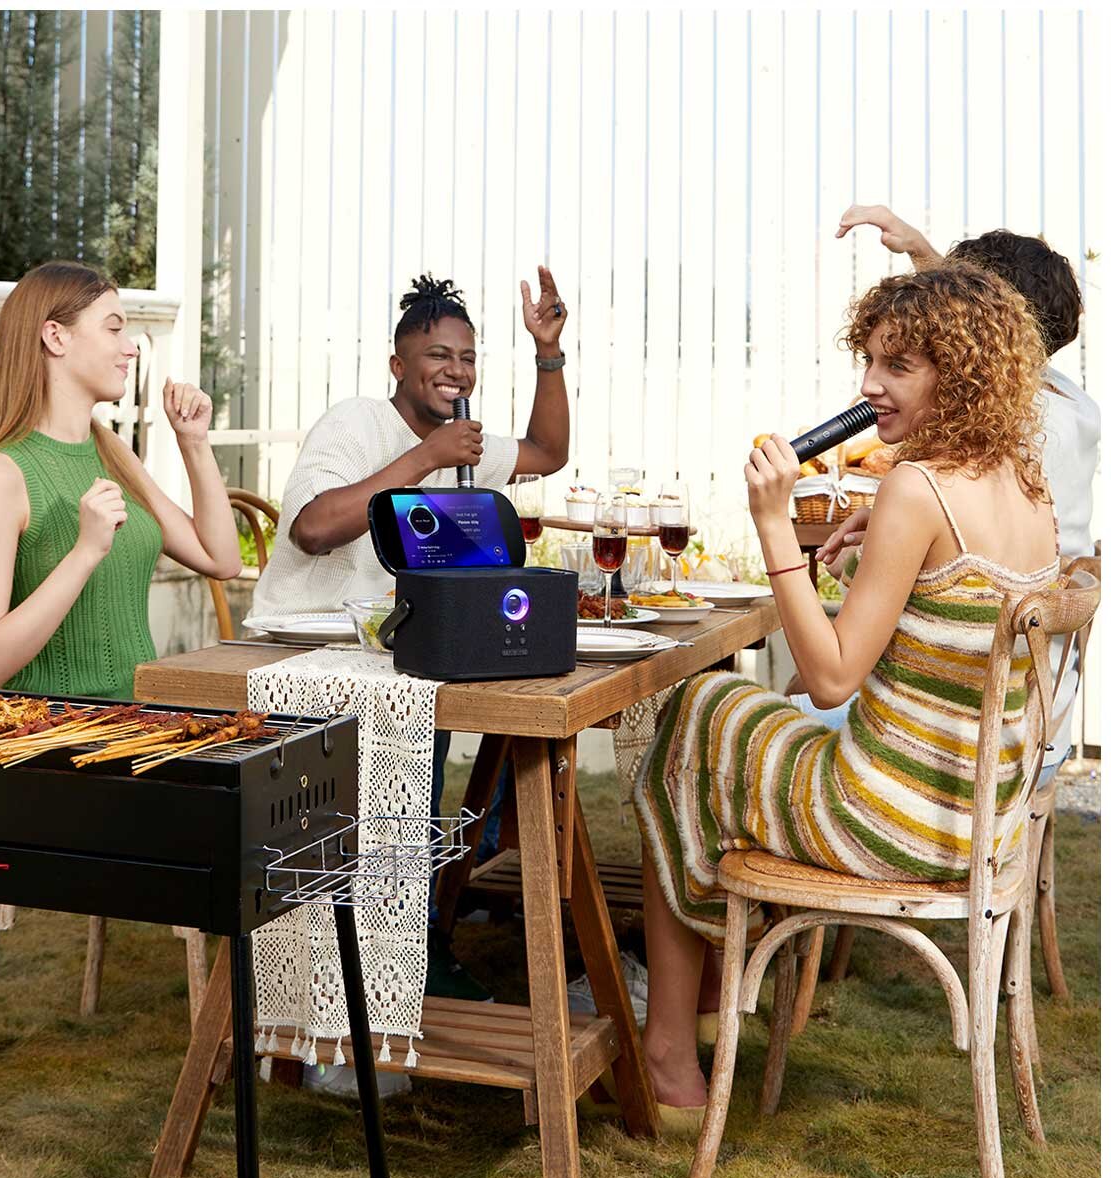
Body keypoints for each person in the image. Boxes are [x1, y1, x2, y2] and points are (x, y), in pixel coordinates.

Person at [634, 262, 1059, 1121]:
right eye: (868, 359)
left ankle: (672, 1053)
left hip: (886, 821)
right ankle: (711, 999)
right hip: (978, 825)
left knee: (695, 714)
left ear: (959, 374)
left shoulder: (917, 488)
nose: (868, 385)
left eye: (898, 365)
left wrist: (772, 523)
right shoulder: (1025, 482)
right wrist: (881, 549)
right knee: (729, 718)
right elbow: (944, 616)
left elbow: (831, 677)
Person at [250, 268, 570, 1000]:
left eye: (467, 357)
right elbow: (312, 527)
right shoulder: (358, 423)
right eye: (438, 356)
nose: (456, 370)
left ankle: (411, 946)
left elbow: (547, 452)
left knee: (433, 786)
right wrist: (426, 459)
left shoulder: (463, 443)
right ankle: (360, 960)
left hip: (399, 653)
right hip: (311, 657)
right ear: (399, 365)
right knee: (369, 807)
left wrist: (548, 352)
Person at [826, 206, 1098, 780]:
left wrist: (872, 548)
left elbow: (839, 671)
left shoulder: (1022, 428)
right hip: (1032, 725)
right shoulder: (1075, 409)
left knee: (793, 690)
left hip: (962, 745)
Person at [0, 262, 242, 699]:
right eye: (113, 329)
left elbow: (221, 560)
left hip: (141, 717)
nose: (131, 349)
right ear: (56, 337)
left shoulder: (112, 452)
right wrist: (86, 551)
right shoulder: (0, 474)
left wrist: (194, 443)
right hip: (58, 729)